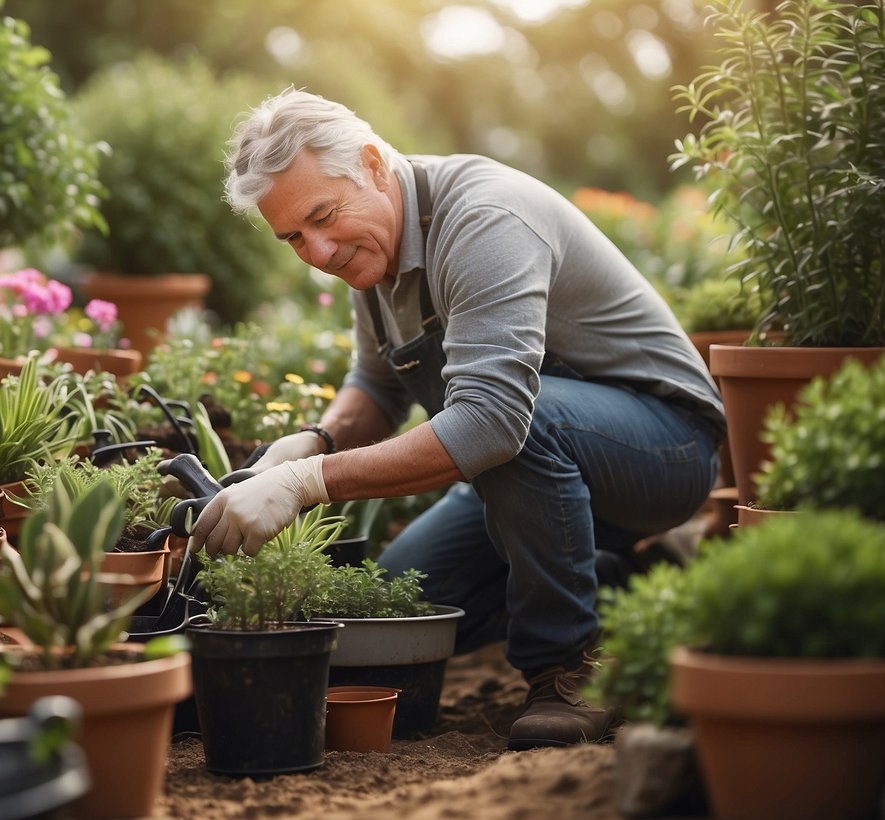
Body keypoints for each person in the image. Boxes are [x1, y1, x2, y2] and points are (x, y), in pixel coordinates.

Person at [189, 89, 726, 750]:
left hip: (664, 448)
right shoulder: (375, 253)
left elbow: (492, 424)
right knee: (400, 603)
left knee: (514, 421)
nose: (319, 252)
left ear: (372, 164)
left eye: (322, 216)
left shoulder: (483, 219)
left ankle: (566, 667)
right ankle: (625, 579)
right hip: (547, 463)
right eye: (293, 236)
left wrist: (306, 482)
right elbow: (376, 384)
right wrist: (310, 441)